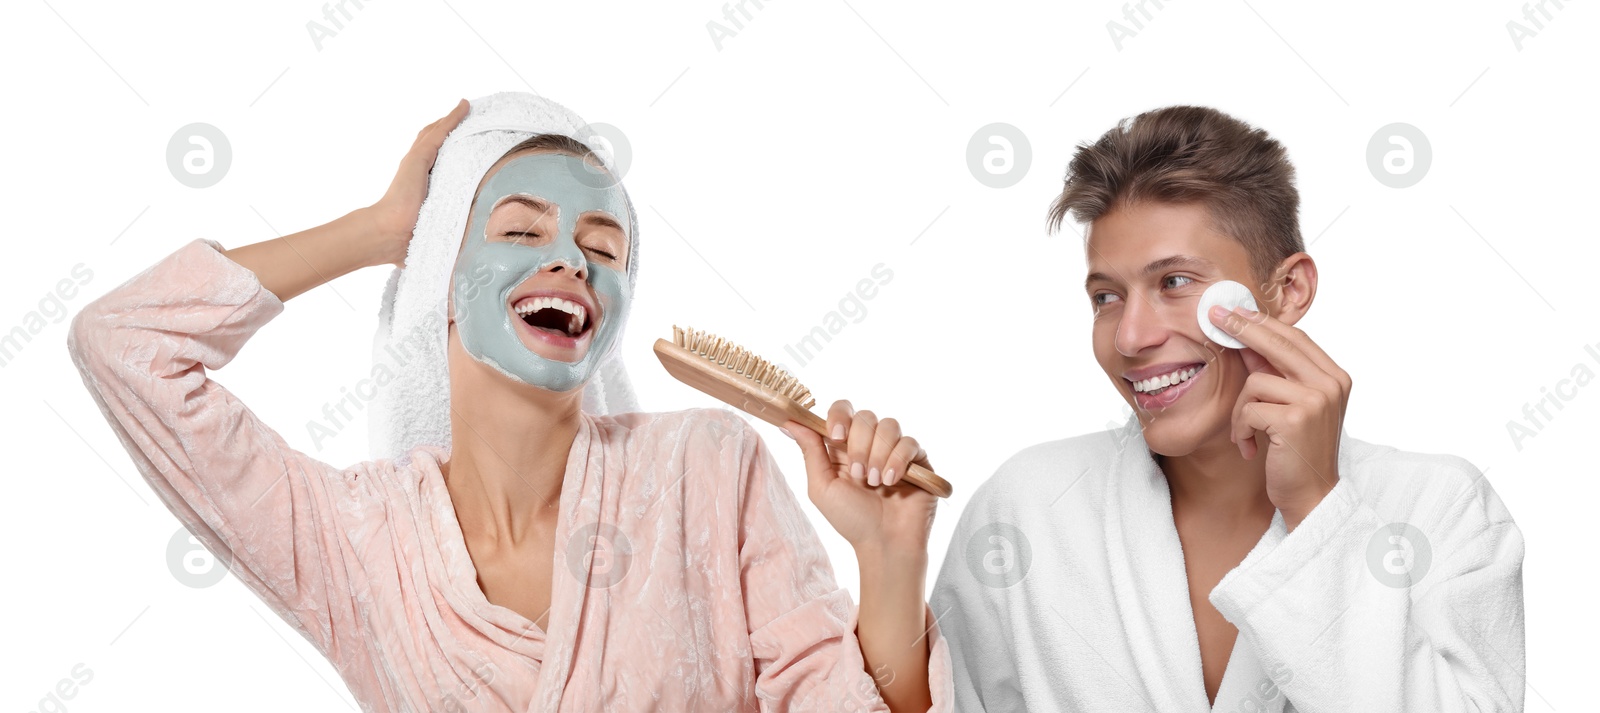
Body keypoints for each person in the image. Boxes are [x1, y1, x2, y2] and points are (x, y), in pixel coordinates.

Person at [67, 92, 948, 712]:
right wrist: (380, 232)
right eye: (520, 231)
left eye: (602, 245)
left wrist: (888, 555)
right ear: (444, 281)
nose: (571, 260)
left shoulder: (708, 468)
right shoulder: (356, 544)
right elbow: (125, 345)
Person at [929, 105, 1525, 712]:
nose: (1130, 336)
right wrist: (889, 557)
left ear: (1288, 289)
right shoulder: (1030, 508)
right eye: (1106, 296)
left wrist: (1318, 514)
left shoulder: (1438, 510)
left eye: (1174, 283)